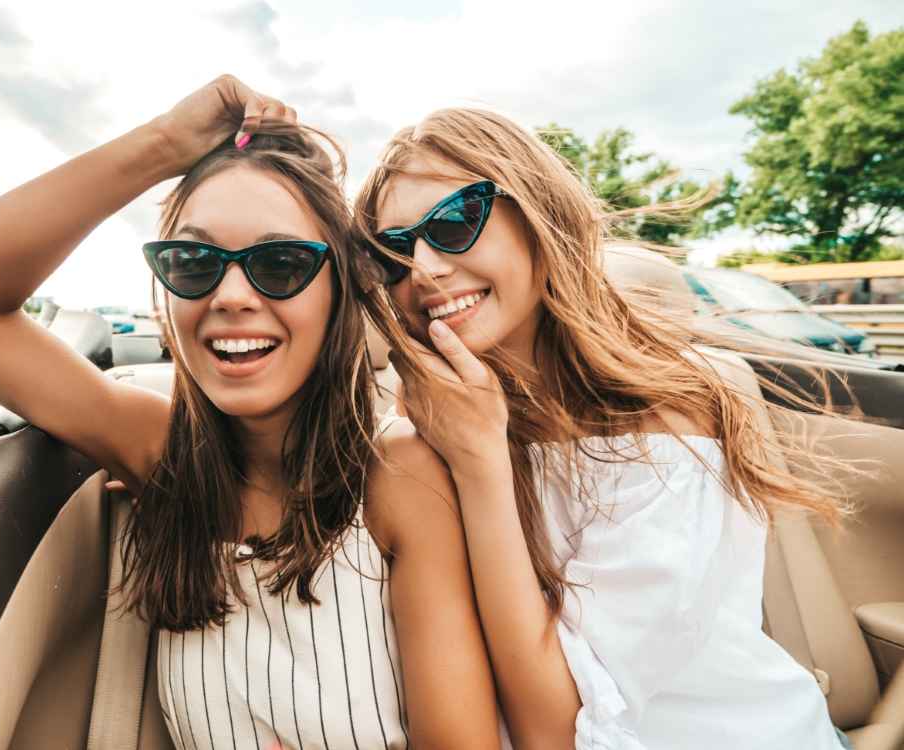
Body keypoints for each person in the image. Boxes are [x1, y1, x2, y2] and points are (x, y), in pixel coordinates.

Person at [0, 77, 502, 749]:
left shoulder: (400, 478)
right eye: (193, 261)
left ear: (340, 288)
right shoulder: (161, 453)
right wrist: (164, 142)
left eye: (280, 262)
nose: (232, 295)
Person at [353, 107, 856, 749]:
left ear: (539, 215)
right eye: (391, 251)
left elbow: (557, 734)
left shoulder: (662, 429)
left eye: (454, 222)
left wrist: (480, 463)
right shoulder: (424, 419)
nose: (422, 267)